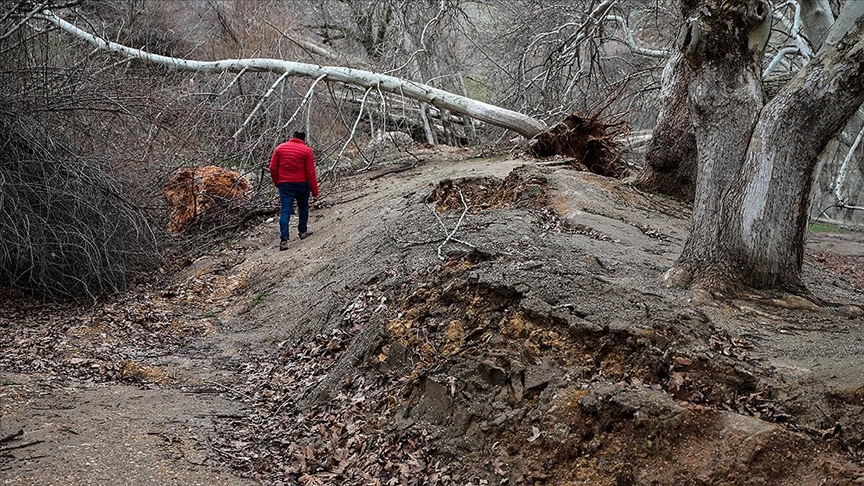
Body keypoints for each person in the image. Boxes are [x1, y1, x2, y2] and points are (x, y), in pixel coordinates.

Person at [269, 131, 319, 251]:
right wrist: (315, 191)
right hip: (301, 184)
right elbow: (311, 173)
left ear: (292, 137)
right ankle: (302, 231)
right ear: (303, 139)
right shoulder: (306, 150)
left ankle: (284, 239)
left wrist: (277, 182)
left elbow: (272, 167)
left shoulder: (280, 148)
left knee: (285, 211)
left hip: (285, 185)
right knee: (303, 207)